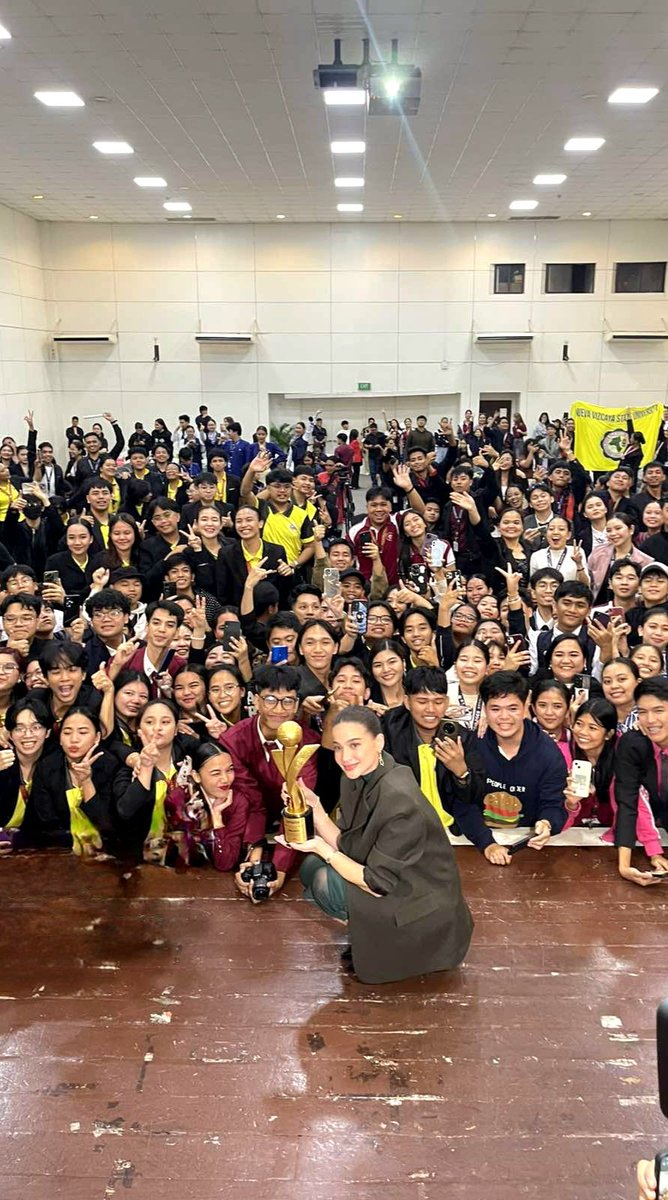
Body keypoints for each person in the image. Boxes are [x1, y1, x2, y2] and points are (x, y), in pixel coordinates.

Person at [282, 705, 473, 985]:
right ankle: (369, 932)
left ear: (379, 742)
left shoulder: (399, 798)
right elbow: (351, 845)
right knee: (312, 867)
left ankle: (395, 943)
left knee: (325, 876)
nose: (345, 757)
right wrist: (316, 808)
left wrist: (320, 847)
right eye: (337, 747)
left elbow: (376, 882)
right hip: (398, 883)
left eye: (355, 745)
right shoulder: (360, 776)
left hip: (421, 907)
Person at [220, 665, 319, 897]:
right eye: (271, 699)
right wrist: (253, 858)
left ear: (297, 704)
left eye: (288, 701)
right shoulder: (233, 740)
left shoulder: (308, 744)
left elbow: (297, 805)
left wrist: (280, 870)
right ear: (256, 700)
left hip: (292, 823)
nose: (279, 709)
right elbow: (250, 800)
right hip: (249, 819)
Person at [476, 671, 568, 864]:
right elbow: (462, 803)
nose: (504, 717)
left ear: (526, 705)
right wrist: (487, 843)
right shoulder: (474, 745)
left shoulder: (549, 754)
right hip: (477, 841)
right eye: (495, 709)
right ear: (484, 709)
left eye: (512, 708)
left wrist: (546, 823)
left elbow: (554, 805)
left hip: (527, 847)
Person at [24, 707, 130, 856]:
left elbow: (108, 826)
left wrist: (86, 782)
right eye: (67, 733)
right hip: (60, 853)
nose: (74, 739)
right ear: (60, 738)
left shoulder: (110, 766)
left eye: (83, 732)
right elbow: (45, 823)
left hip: (106, 853)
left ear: (97, 738)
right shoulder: (47, 767)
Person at [615, 677, 668, 885]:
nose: (650, 720)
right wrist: (624, 866)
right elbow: (628, 800)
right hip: (647, 826)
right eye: (642, 712)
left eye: (658, 710)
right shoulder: (632, 743)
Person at [0, 697, 51, 850]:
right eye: (19, 728)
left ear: (47, 732)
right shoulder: (2, 760)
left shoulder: (54, 764)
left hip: (31, 849)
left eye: (36, 727)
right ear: (9, 734)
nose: (27, 735)